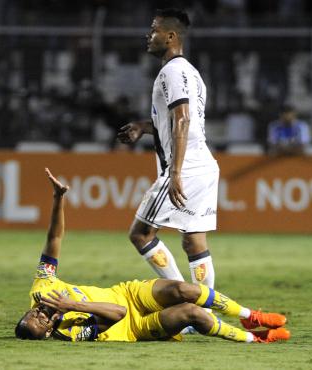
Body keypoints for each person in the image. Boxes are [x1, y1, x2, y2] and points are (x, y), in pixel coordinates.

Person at [15, 168, 290, 343]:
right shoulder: (70, 333)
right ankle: (253, 339)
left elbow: (54, 239)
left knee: (184, 289)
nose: (38, 314)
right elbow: (119, 313)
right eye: (39, 322)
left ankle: (250, 315)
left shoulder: (42, 288)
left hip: (129, 293)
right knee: (192, 313)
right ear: (48, 332)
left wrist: (58, 199)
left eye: (31, 314)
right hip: (136, 326)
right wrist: (73, 305)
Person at [117, 9, 220, 291]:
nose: (148, 35)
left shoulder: (172, 71)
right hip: (203, 164)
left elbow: (183, 119)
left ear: (171, 36)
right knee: (194, 241)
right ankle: (205, 307)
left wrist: (175, 172)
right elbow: (179, 121)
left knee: (141, 234)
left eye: (154, 30)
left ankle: (182, 295)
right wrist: (143, 127)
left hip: (185, 167)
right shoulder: (192, 73)